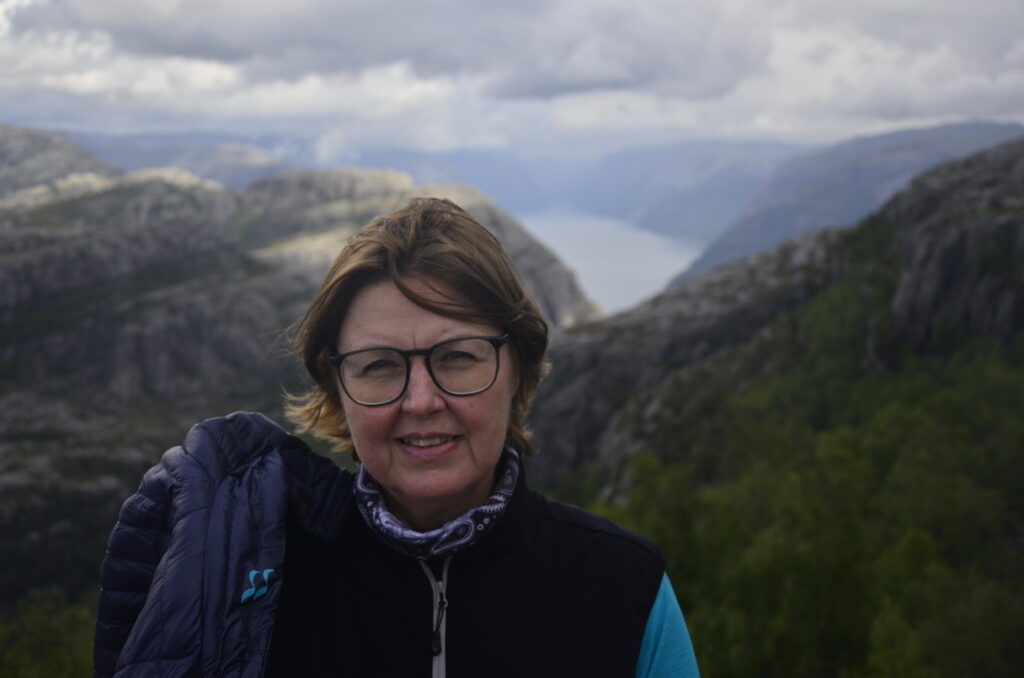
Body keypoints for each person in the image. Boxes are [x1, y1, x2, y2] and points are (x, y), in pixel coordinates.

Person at [94, 198, 700, 677]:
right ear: (337, 389)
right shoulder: (257, 582)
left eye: (458, 356)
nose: (421, 401)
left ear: (517, 368)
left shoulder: (623, 584)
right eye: (379, 365)